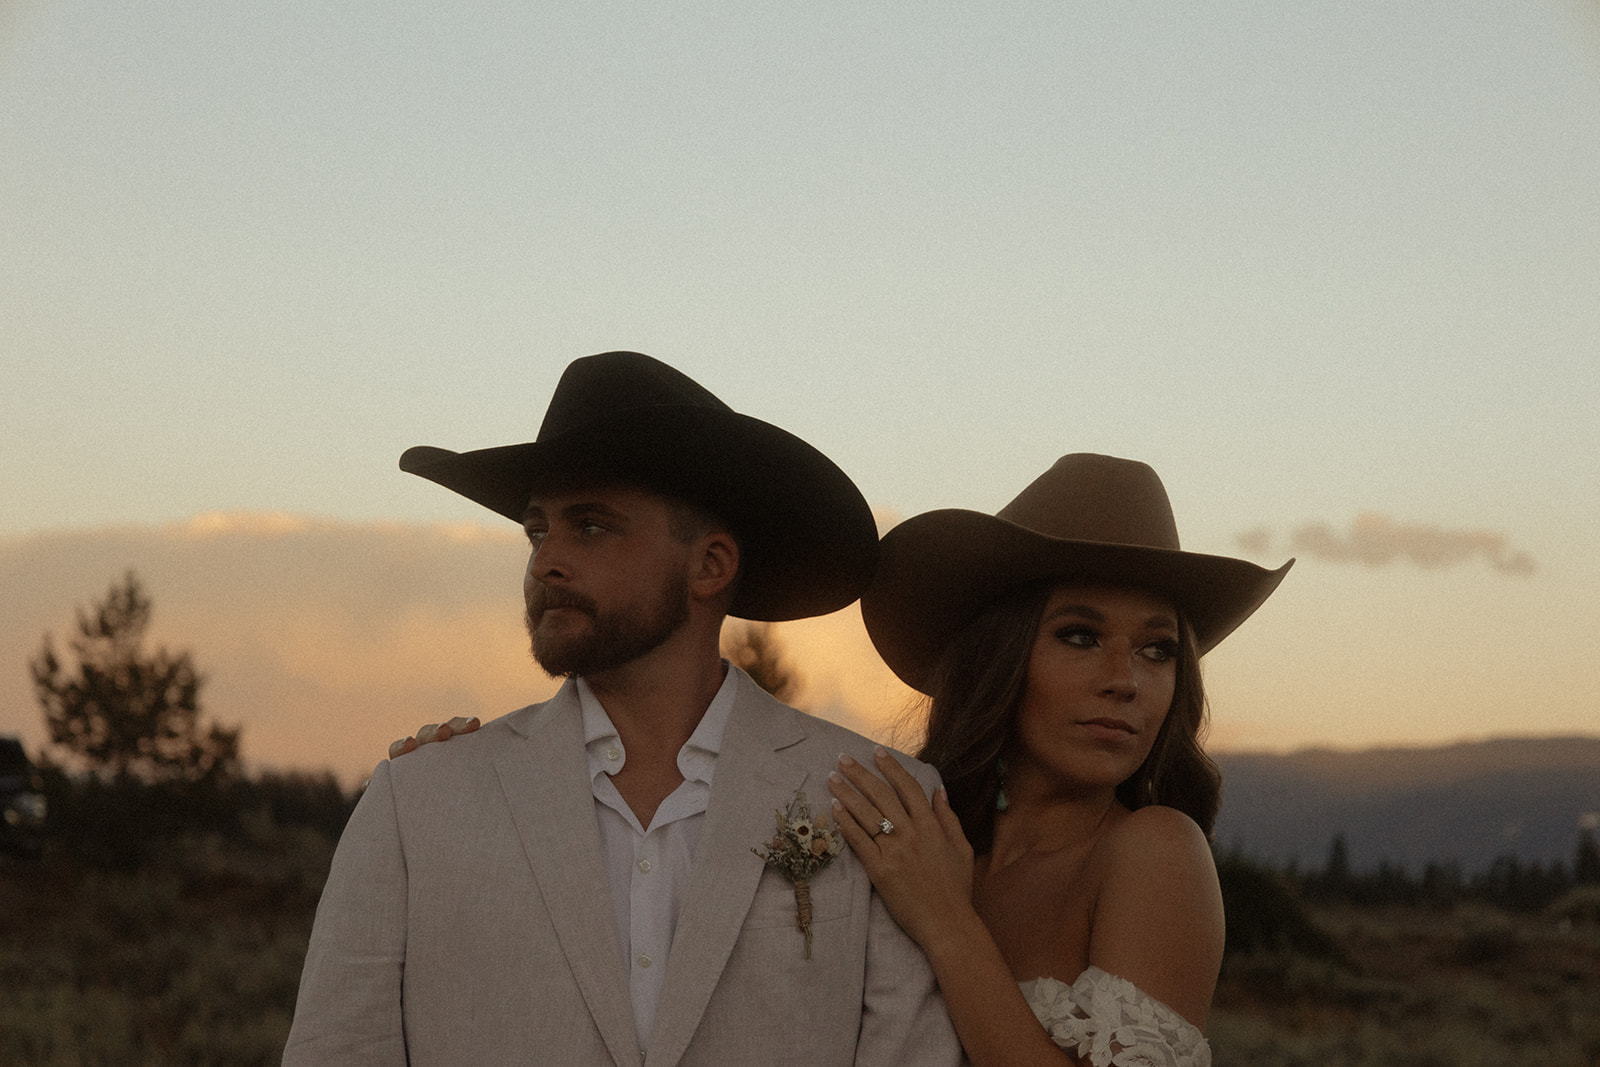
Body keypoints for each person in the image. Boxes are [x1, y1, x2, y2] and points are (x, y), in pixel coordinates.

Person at [284, 352, 962, 1066]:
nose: (547, 560)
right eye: (537, 530)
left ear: (710, 566)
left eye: (592, 526)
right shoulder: (417, 802)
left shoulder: (880, 806)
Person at [827, 453, 1291, 1066]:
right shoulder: (921, 845)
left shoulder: (1155, 852)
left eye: (1157, 650)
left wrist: (944, 920)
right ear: (1000, 658)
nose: (1125, 681)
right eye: (1081, 636)